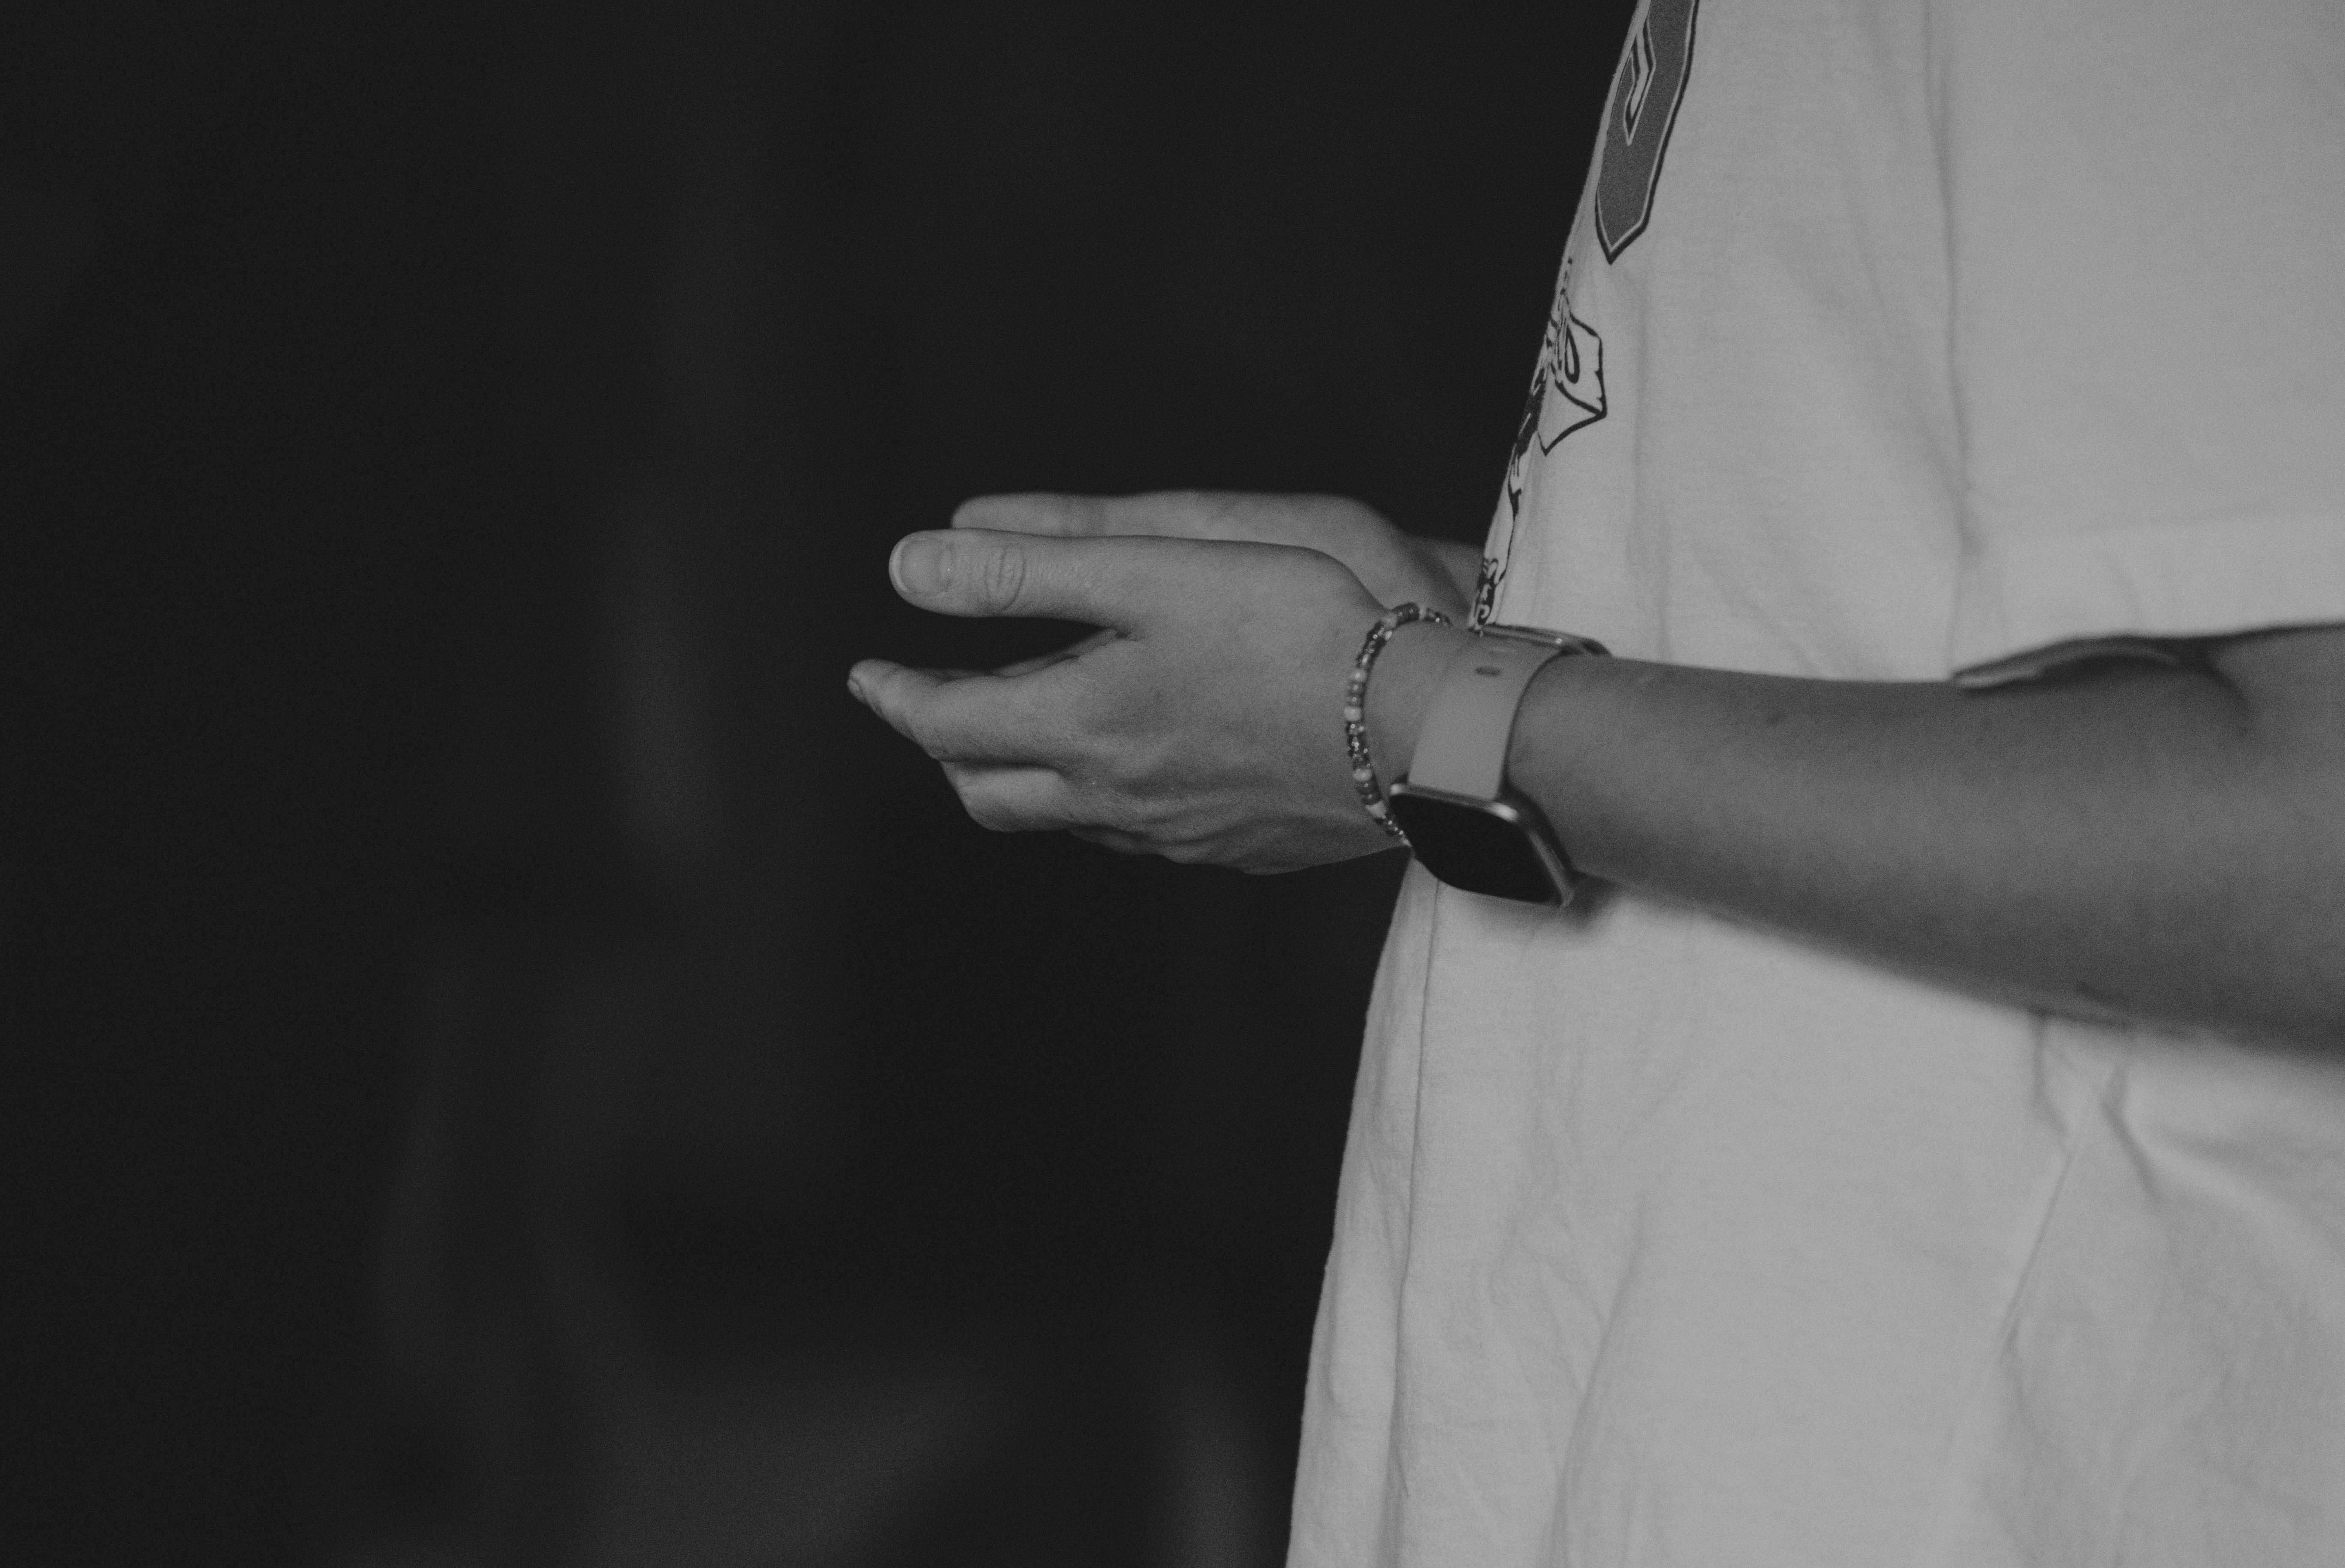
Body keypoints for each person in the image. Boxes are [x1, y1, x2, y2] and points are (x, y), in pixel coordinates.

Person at [850, 0, 2345, 1561]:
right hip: (1728, 1371)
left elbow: (2315, 832)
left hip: (1927, 1429)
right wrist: (1455, 612)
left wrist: (1405, 708)